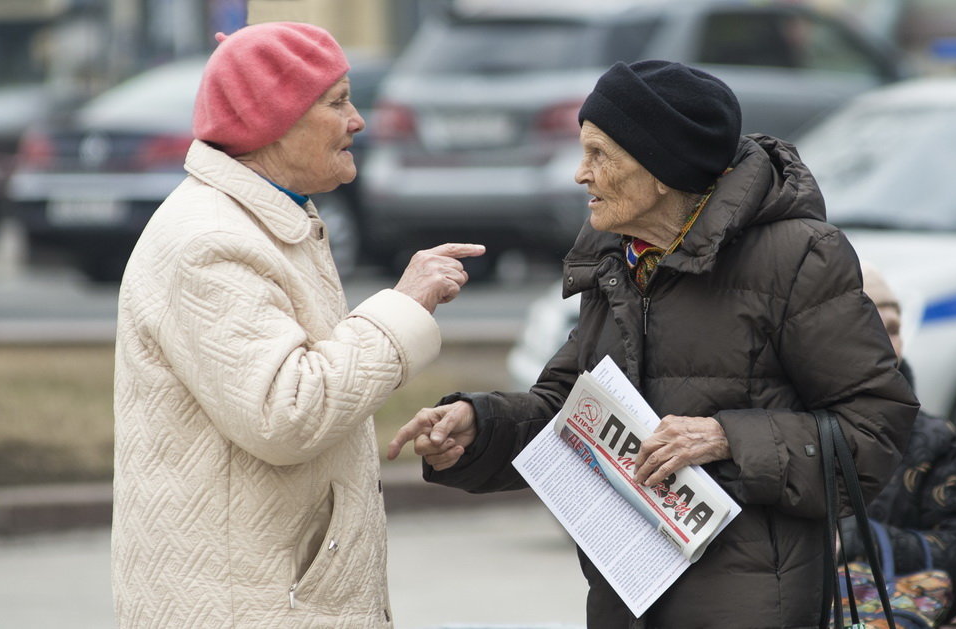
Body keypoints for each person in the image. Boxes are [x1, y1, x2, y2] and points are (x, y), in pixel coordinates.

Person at [387, 60, 919, 628]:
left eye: (599, 155)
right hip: (627, 596)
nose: (579, 174)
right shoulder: (618, 255)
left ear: (662, 169)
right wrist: (478, 425)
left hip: (752, 605)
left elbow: (875, 428)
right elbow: (573, 409)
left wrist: (727, 438)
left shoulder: (797, 257)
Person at [110, 22, 484, 628]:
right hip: (247, 606)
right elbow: (286, 412)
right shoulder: (211, 241)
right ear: (272, 120)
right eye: (336, 102)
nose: (357, 120)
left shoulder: (260, 219)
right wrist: (402, 310)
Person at [839, 263, 956, 622]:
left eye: (895, 325)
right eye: (873, 319)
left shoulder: (928, 438)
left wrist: (860, 541)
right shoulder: (775, 424)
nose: (891, 338)